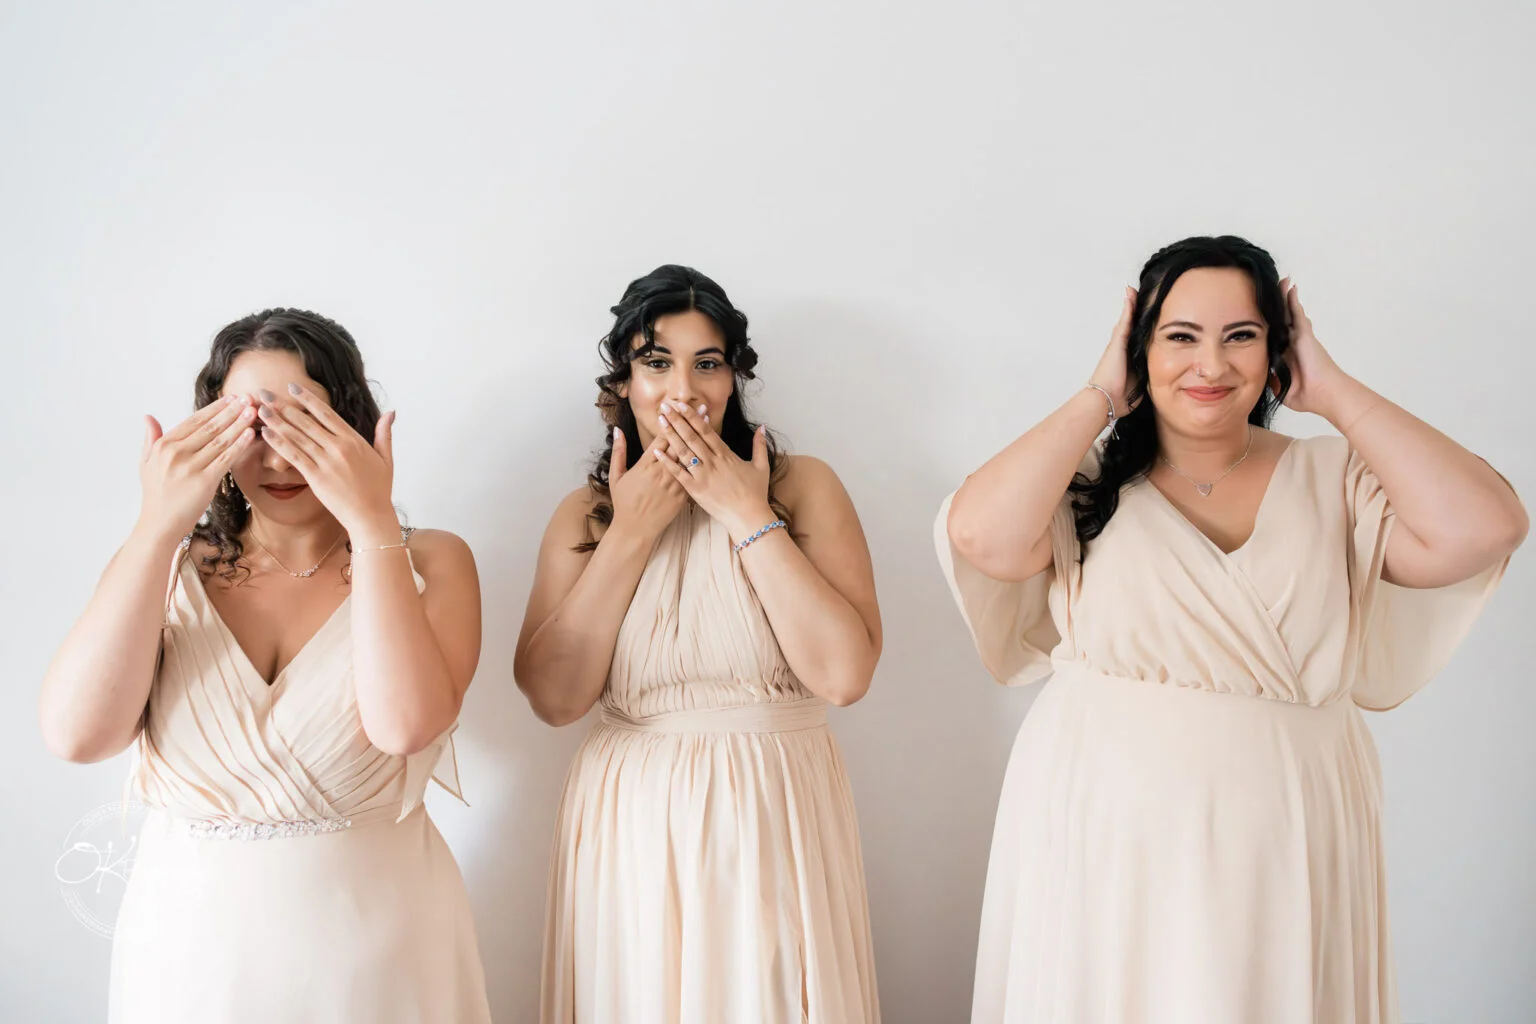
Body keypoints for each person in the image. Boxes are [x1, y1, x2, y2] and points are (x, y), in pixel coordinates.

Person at [938, 236, 1525, 1023]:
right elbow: (980, 536)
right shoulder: (1082, 483)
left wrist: (1335, 391)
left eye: (1240, 336)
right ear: (1138, 348)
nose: (1210, 365)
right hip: (1107, 826)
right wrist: (1099, 396)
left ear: (1277, 348)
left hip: (1293, 827)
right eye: (1180, 336)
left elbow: (1487, 527)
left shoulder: (1336, 478)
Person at [40, 308, 492, 1023]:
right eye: (251, 425)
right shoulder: (167, 567)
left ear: (350, 422)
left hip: (382, 952)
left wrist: (373, 522)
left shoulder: (432, 560)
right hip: (188, 956)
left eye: (303, 423)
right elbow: (76, 737)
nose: (278, 459)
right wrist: (156, 526)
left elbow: (405, 726)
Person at [517, 265, 882, 1023]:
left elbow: (845, 676)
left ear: (733, 378)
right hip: (633, 821)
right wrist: (631, 531)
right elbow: (554, 698)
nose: (683, 391)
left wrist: (743, 511)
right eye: (656, 363)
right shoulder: (584, 513)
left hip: (772, 810)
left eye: (707, 363)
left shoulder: (804, 487)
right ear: (624, 382)